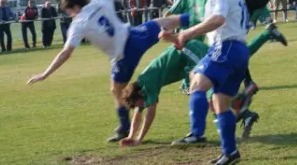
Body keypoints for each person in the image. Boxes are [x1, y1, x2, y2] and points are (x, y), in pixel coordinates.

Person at [26, 0, 182, 143]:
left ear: (74, 7)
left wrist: (45, 73)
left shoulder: (78, 23)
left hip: (122, 56)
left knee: (116, 90)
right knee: (167, 22)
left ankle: (125, 124)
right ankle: (200, 16)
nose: (70, 14)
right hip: (134, 36)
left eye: (69, 10)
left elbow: (66, 53)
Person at [119, 22, 285, 147]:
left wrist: (139, 139)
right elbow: (138, 114)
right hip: (186, 65)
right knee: (221, 69)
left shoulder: (147, 85)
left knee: (209, 90)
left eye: (137, 104)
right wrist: (132, 137)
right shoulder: (142, 87)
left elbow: (150, 114)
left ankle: (223, 124)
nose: (139, 107)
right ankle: (240, 112)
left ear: (138, 95)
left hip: (188, 52)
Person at [163, 0, 251, 165]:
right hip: (239, 50)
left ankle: (196, 134)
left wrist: (186, 33)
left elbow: (218, 19)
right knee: (221, 104)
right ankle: (230, 153)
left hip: (225, 47)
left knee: (196, 83)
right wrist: (180, 36)